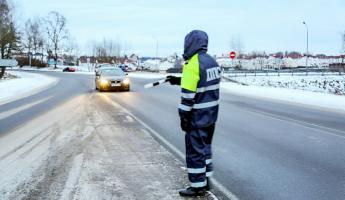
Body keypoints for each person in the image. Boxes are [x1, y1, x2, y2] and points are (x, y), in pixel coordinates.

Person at [167, 30, 221, 197]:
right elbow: (202, 83)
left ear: (190, 44)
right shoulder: (212, 62)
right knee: (205, 150)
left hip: (197, 118)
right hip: (211, 117)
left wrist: (183, 118)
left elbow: (188, 98)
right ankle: (205, 180)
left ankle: (197, 187)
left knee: (195, 152)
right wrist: (179, 80)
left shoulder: (192, 64)